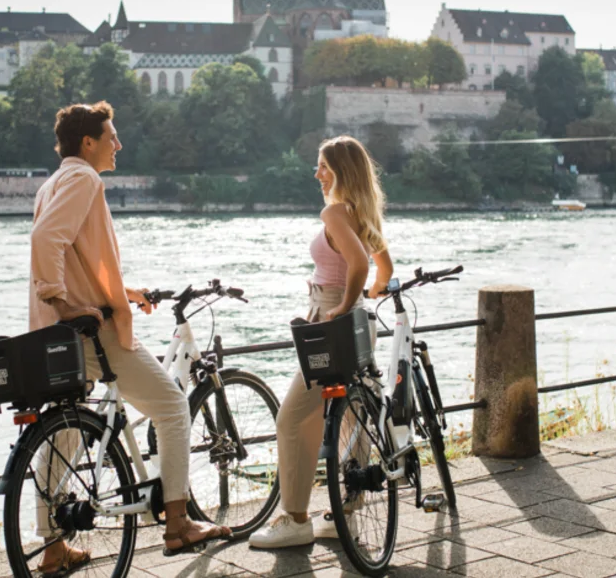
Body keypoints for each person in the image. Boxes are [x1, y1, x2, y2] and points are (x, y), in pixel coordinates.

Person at [29, 101, 230, 573]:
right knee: (173, 407)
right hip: (91, 333)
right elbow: (45, 240)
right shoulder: (85, 179)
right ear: (88, 142)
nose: (119, 144)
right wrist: (62, 300)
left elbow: (77, 255)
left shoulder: (53, 181)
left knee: (66, 435)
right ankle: (179, 526)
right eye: (111, 136)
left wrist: (125, 292)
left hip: (58, 336)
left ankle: (53, 549)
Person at [249, 135, 394, 549]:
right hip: (357, 324)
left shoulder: (334, 212)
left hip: (332, 319)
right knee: (354, 414)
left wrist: (343, 303)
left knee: (293, 418)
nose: (316, 174)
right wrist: (369, 297)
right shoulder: (362, 213)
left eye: (323, 167)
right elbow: (382, 266)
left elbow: (361, 264)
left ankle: (295, 520)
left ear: (341, 172)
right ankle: (344, 511)